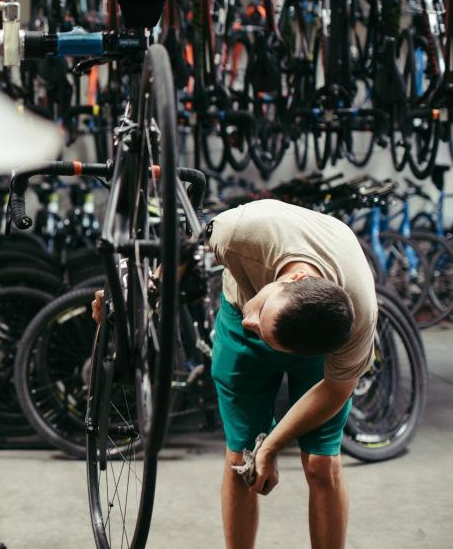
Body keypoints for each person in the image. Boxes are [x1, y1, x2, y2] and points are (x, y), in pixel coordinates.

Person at [92, 198, 375, 549]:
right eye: (262, 315)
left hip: (310, 338)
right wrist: (130, 302)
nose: (250, 321)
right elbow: (182, 253)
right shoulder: (243, 230)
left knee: (321, 463)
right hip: (242, 317)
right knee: (241, 461)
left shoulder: (357, 319)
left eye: (260, 325)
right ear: (293, 279)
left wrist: (271, 446)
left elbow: (335, 388)